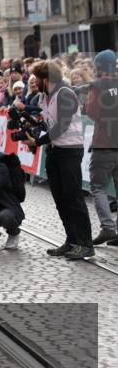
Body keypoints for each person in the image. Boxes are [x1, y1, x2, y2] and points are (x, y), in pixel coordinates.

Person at [22, 60, 94, 260]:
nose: (35, 82)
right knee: (61, 199)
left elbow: (62, 124)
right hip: (54, 151)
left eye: (37, 78)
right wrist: (33, 125)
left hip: (69, 151)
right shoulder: (47, 96)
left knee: (73, 197)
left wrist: (38, 141)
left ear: (46, 78)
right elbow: (49, 123)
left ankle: (85, 244)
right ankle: (72, 240)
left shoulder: (65, 94)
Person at [86, 50, 118, 246]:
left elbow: (91, 111)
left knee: (98, 187)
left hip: (104, 144)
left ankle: (108, 228)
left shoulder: (97, 85)